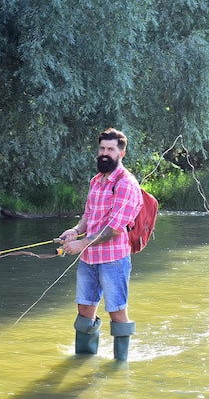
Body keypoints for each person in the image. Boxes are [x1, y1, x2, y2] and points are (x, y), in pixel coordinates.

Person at [59, 127, 143, 361]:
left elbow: (115, 228)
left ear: (121, 153)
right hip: (88, 259)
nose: (105, 153)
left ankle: (120, 366)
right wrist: (75, 231)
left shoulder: (126, 184)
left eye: (111, 149)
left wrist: (82, 243)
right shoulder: (96, 180)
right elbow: (89, 214)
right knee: (85, 311)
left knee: (117, 312)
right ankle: (84, 362)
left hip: (113, 260)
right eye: (102, 148)